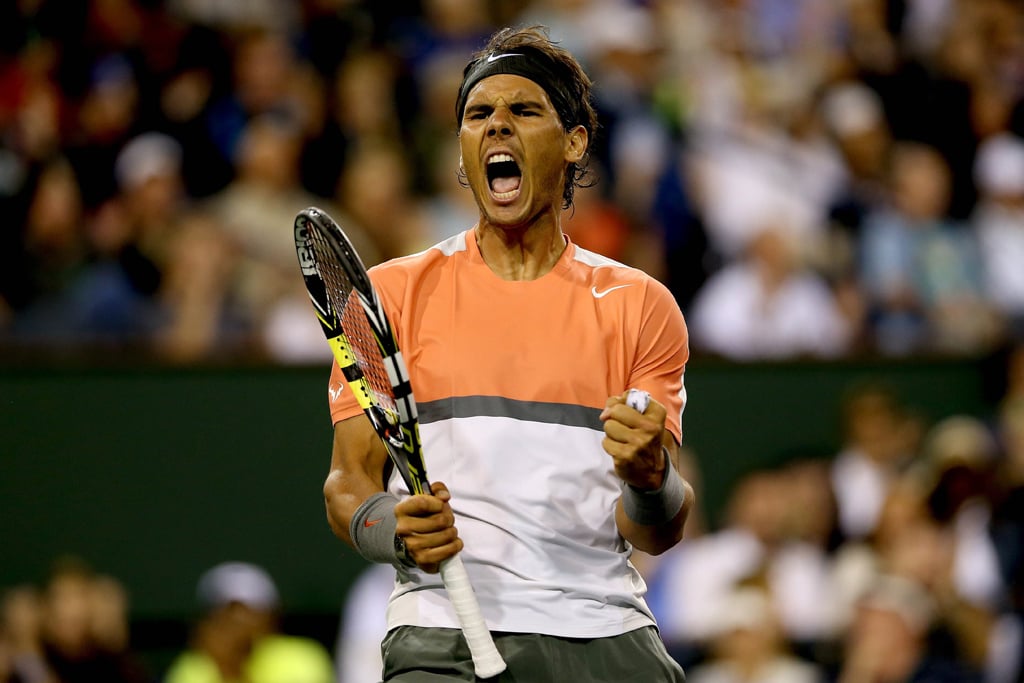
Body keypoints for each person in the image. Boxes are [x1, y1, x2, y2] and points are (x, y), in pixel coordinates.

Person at [323, 24, 693, 682]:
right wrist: (394, 527)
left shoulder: (642, 304)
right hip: (442, 633)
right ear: (462, 153)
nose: (496, 125)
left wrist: (650, 477)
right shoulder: (388, 297)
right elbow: (348, 483)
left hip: (602, 628)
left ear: (574, 141)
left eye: (523, 110)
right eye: (477, 114)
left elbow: (657, 528)